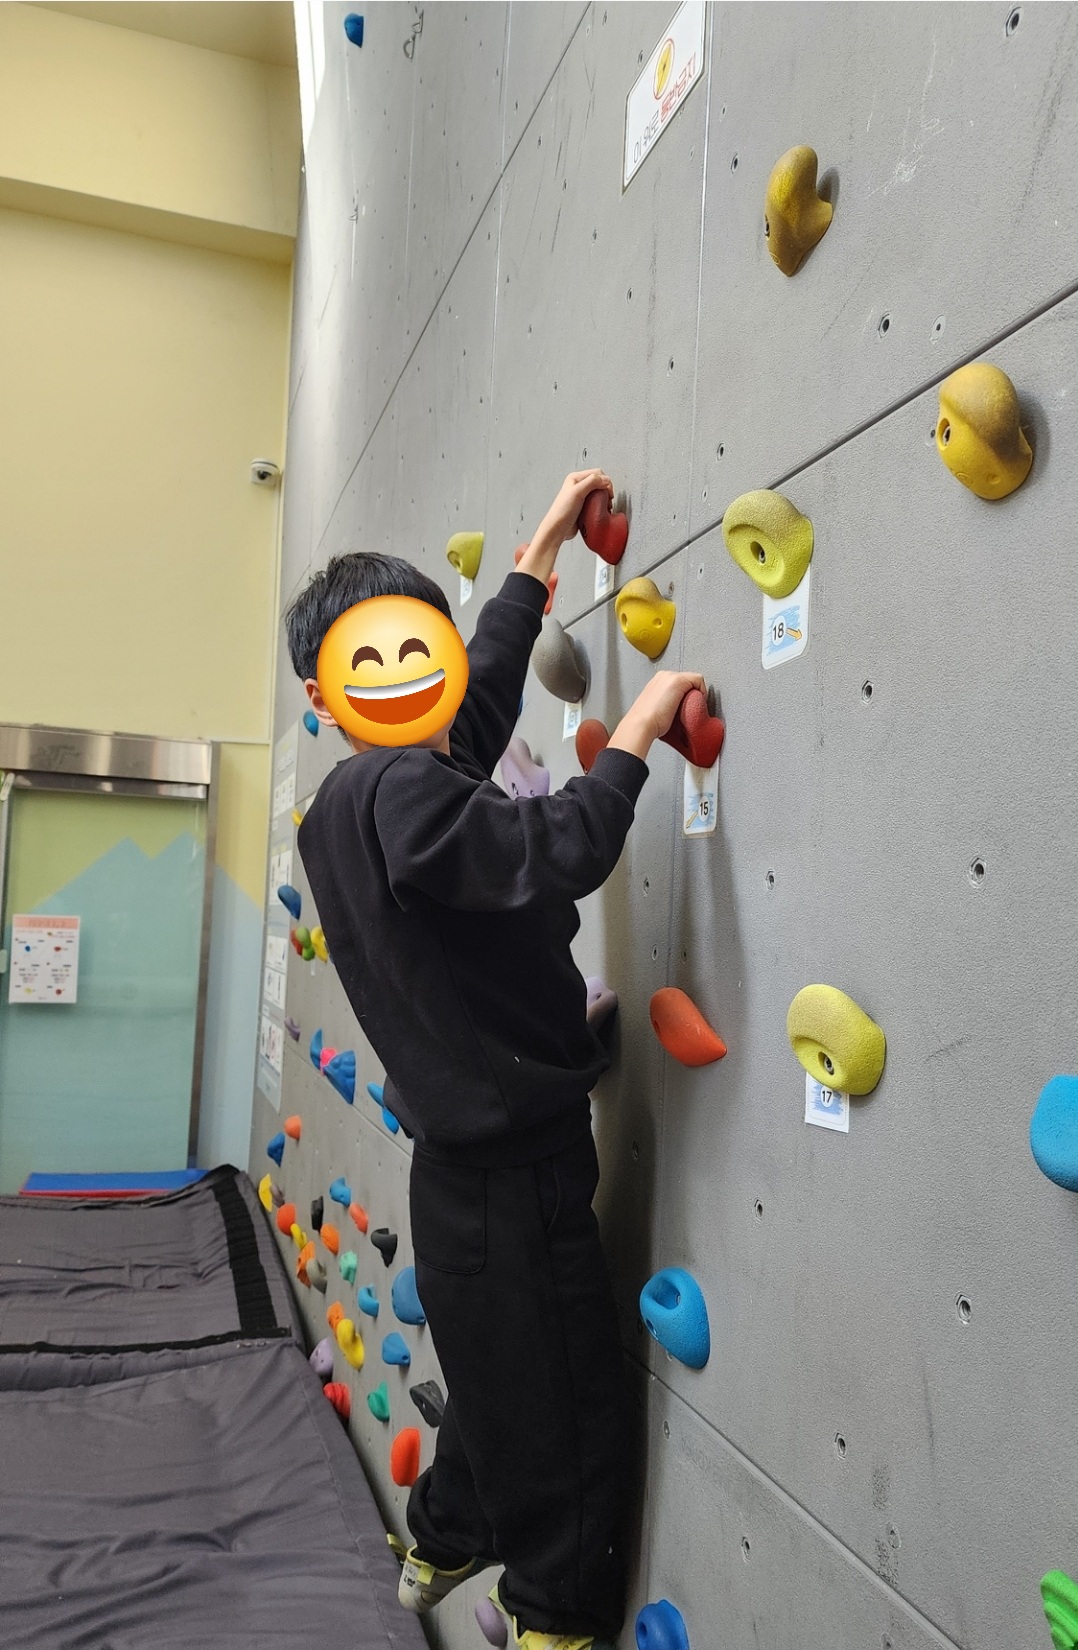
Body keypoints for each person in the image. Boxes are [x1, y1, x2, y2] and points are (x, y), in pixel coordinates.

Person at [287, 469, 705, 1650]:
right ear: (330, 694)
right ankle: (553, 1614)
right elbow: (563, 844)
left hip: (460, 1165)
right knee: (562, 1395)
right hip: (515, 1167)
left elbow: (469, 708)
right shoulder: (410, 794)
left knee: (494, 1366)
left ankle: (445, 1529)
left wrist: (537, 556)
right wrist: (642, 725)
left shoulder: (353, 800)